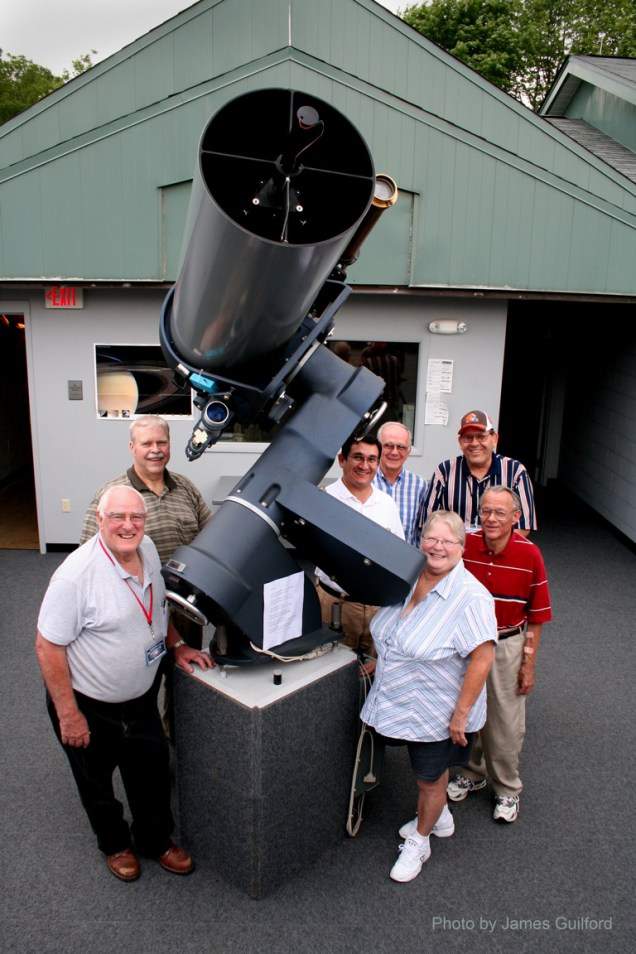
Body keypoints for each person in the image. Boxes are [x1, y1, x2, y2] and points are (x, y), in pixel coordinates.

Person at [36, 486, 214, 882]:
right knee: (95, 781)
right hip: (88, 704)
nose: (128, 526)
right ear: (100, 521)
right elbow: (47, 647)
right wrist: (69, 715)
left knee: (150, 773)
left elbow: (156, 609)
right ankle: (115, 845)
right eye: (117, 517)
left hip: (140, 697)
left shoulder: (147, 549)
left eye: (136, 517)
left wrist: (178, 645)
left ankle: (155, 840)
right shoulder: (75, 577)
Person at [360, 511, 497, 883]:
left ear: (462, 547)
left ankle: (421, 841)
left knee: (429, 780)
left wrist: (460, 715)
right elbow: (398, 632)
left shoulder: (470, 597)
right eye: (430, 539)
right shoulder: (407, 579)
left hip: (439, 709)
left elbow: (483, 658)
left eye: (446, 541)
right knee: (427, 773)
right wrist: (382, 662)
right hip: (403, 699)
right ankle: (441, 819)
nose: (437, 547)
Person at [448, 486, 552, 822]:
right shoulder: (468, 547)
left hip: (507, 644)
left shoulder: (530, 554)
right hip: (467, 643)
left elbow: (536, 617)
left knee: (505, 721)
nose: (491, 518)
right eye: (486, 511)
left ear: (516, 518)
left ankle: (507, 789)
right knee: (467, 707)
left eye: (500, 513)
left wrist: (528, 665)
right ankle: (473, 772)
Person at [81, 414, 211, 648]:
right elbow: (88, 556)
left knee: (185, 675)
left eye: (161, 443)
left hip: (183, 604)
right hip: (135, 608)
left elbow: (210, 538)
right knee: (139, 677)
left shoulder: (186, 488)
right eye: (147, 444)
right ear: (132, 447)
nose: (156, 450)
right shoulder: (113, 494)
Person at [316, 434, 405, 656]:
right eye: (358, 457)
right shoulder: (322, 500)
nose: (365, 466)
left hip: (378, 610)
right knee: (331, 676)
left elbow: (398, 556)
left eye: (372, 459)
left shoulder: (386, 504)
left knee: (374, 677)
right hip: (336, 607)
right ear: (342, 460)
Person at [422, 409, 537, 536]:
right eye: (468, 438)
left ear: (494, 439)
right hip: (455, 550)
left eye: (481, 437)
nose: (474, 443)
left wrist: (493, 549)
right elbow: (428, 521)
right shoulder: (445, 471)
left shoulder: (515, 471)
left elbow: (523, 525)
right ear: (460, 442)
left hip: (498, 552)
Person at [373, 421, 427, 547]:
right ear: (378, 448)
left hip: (406, 562)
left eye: (401, 447)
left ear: (408, 452)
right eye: (388, 446)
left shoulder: (420, 485)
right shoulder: (366, 480)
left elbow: (423, 531)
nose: (395, 452)